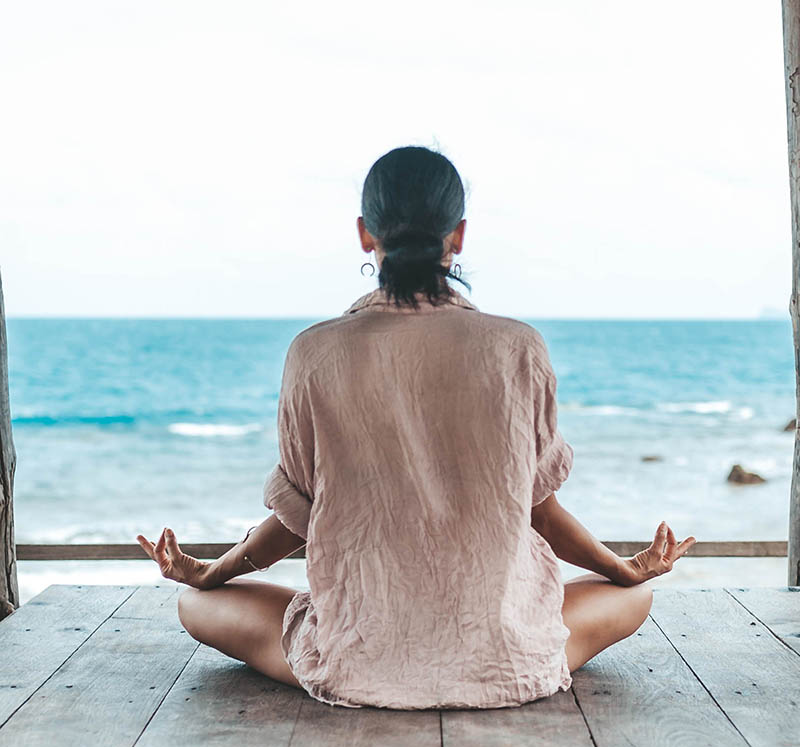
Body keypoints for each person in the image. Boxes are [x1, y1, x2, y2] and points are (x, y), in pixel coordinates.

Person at [136, 145, 696, 709]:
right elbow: (540, 512)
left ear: (364, 233)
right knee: (634, 598)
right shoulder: (518, 347)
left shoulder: (312, 352)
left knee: (194, 606)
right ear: (459, 235)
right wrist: (626, 568)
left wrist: (210, 573)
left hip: (357, 659)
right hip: (500, 661)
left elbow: (299, 518)